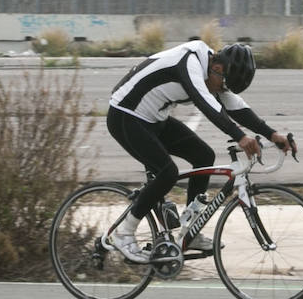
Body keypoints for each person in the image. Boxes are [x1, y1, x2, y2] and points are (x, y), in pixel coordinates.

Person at [106, 40, 292, 262]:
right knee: (167, 173)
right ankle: (123, 233)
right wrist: (240, 137)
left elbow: (236, 106)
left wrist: (272, 135)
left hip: (154, 119)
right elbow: (206, 104)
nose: (222, 90)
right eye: (224, 84)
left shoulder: (213, 71)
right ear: (217, 68)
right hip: (125, 116)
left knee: (203, 156)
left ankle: (190, 231)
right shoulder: (189, 63)